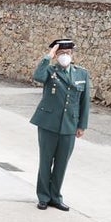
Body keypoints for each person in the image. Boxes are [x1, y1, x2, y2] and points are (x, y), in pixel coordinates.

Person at [30, 38, 91, 211]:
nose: (65, 56)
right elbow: (38, 76)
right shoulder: (49, 70)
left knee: (62, 163)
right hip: (48, 123)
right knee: (45, 161)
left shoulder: (81, 74)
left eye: (68, 53)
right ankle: (43, 196)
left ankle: (55, 197)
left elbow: (85, 102)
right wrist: (48, 56)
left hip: (69, 125)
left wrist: (82, 125)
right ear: (56, 55)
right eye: (61, 53)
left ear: (72, 54)